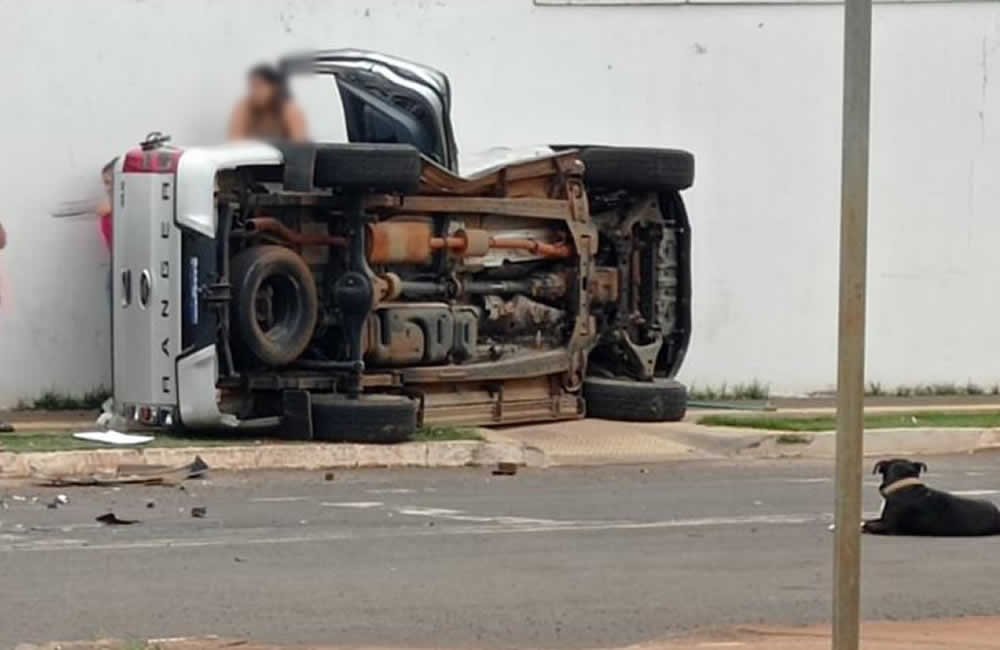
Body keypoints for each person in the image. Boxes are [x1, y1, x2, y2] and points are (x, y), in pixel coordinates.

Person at [228, 64, 308, 142]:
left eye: (259, 86)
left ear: (274, 88)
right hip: (253, 152)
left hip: (286, 153)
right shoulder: (244, 107)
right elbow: (235, 140)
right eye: (252, 86)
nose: (255, 91)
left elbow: (300, 143)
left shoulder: (289, 109)